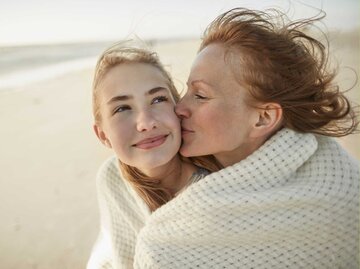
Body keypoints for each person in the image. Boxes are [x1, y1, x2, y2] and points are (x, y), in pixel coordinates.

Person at [132, 8, 360, 268]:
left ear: (262, 118)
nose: (180, 107)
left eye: (201, 95)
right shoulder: (133, 173)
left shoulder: (340, 193)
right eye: (186, 90)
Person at [87, 43, 220, 269]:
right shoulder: (112, 178)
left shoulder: (218, 181)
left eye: (158, 100)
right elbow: (121, 253)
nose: (147, 123)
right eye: (122, 109)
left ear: (177, 108)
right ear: (103, 135)